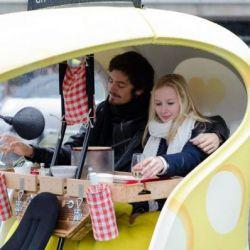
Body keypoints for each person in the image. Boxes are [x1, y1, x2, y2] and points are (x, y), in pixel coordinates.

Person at [0, 52, 229, 172]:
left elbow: (204, 128)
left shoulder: (154, 120)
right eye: (110, 80)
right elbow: (75, 152)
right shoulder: (103, 112)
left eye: (120, 85)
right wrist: (31, 151)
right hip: (106, 195)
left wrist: (217, 133)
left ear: (139, 91)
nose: (110, 89)